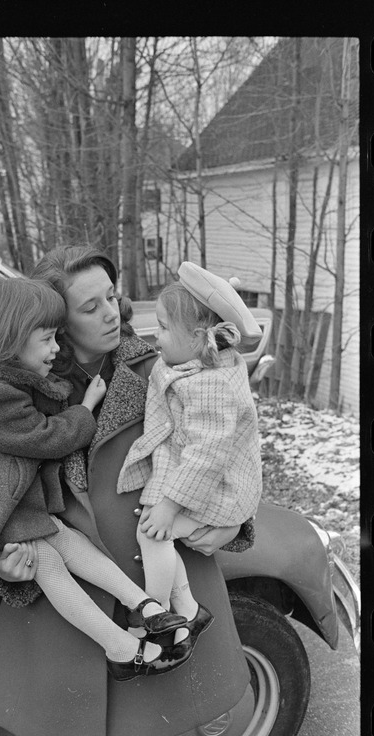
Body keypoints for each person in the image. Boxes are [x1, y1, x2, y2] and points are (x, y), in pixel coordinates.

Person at [0, 246, 256, 736]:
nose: (111, 313)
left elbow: (230, 441)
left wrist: (235, 524)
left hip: (160, 587)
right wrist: (6, 567)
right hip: (73, 603)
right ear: (56, 322)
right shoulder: (15, 396)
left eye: (113, 296)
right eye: (89, 306)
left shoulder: (164, 365)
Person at [0, 277, 192, 681]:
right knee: (48, 559)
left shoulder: (3, 380)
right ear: (10, 340)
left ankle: (146, 608)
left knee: (65, 538)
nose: (55, 348)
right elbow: (47, 438)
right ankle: (121, 647)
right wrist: (85, 407)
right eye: (48, 339)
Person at [117, 261, 263, 648]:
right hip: (207, 480)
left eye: (164, 327)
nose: (155, 334)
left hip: (219, 487)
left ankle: (158, 613)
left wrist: (170, 503)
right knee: (153, 531)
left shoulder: (209, 384)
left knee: (151, 532)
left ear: (199, 337)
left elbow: (208, 453)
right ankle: (186, 612)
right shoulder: (194, 365)